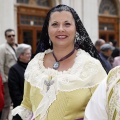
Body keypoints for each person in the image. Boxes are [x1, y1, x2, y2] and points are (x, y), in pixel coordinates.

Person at [12, 4, 107, 120]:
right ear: (47, 28)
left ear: (76, 28)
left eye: (67, 24)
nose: (61, 29)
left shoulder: (91, 66)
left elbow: (103, 111)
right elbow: (26, 105)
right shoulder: (35, 64)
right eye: (55, 24)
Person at [0, 29, 17, 120]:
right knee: (7, 104)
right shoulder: (3, 48)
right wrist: (4, 79)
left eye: (13, 35)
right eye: (9, 36)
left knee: (15, 101)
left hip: (16, 79)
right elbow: (0, 64)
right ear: (6, 37)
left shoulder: (17, 46)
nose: (12, 37)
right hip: (7, 79)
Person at [8, 43, 31, 108]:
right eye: (27, 54)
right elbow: (14, 90)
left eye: (29, 53)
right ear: (20, 55)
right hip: (21, 105)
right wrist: (22, 104)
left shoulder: (32, 67)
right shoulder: (14, 70)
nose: (29, 55)